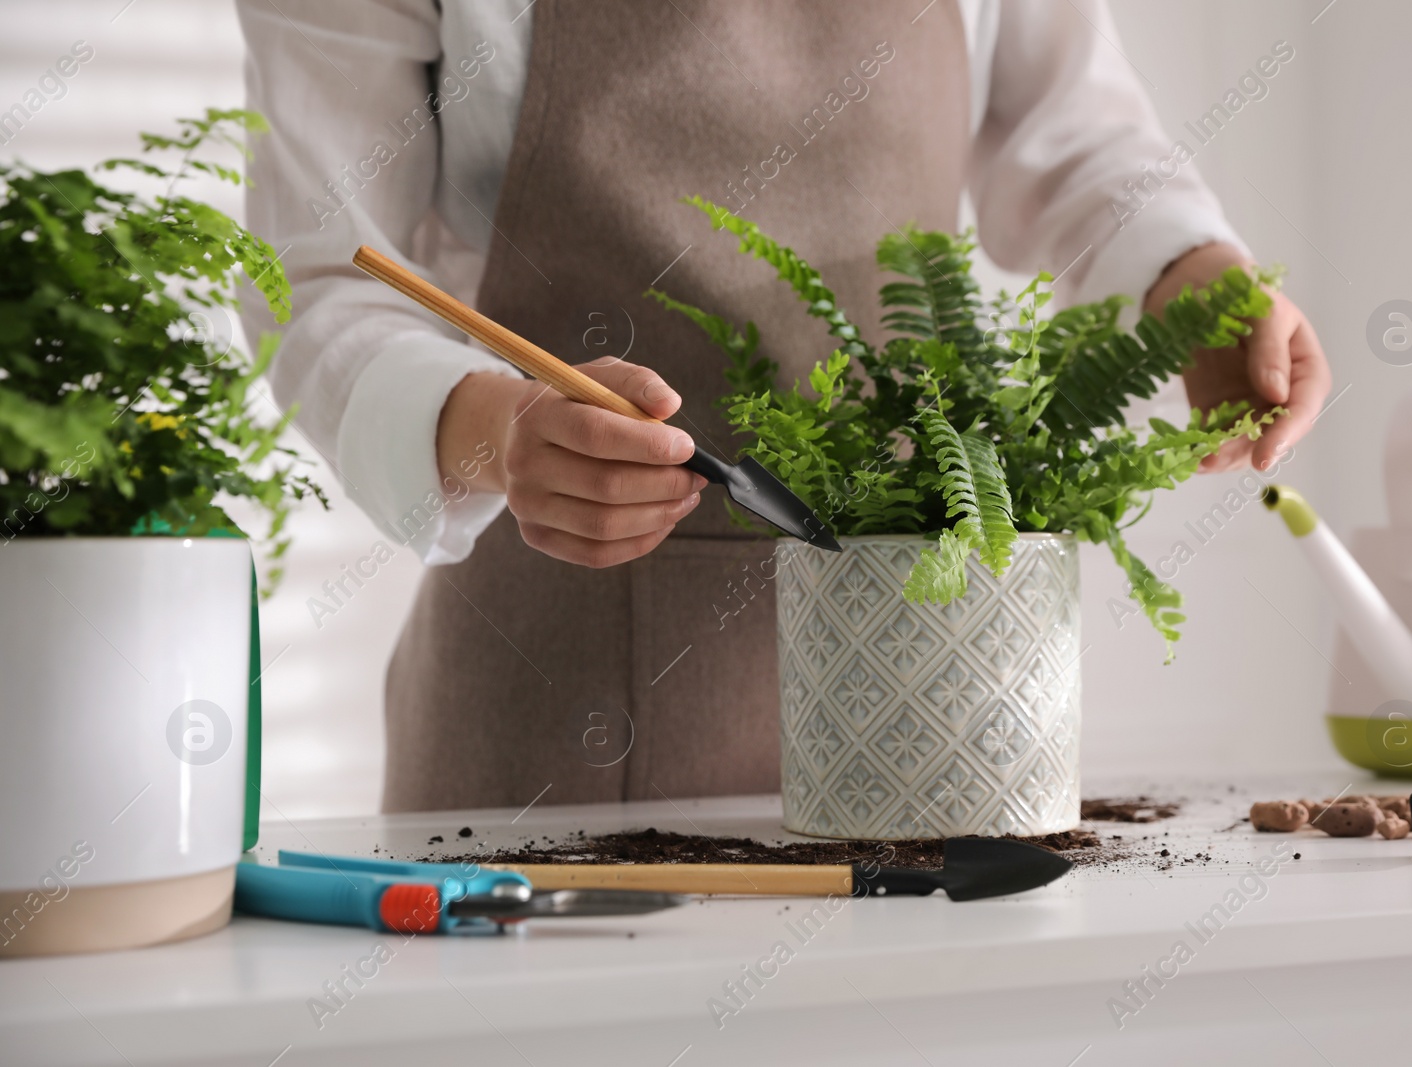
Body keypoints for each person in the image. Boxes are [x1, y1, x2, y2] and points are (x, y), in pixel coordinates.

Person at [238, 0, 1331, 812]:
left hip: (928, 684)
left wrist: (1188, 273)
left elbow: (1076, 130)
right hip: (556, 692)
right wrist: (496, 431)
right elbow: (321, 273)